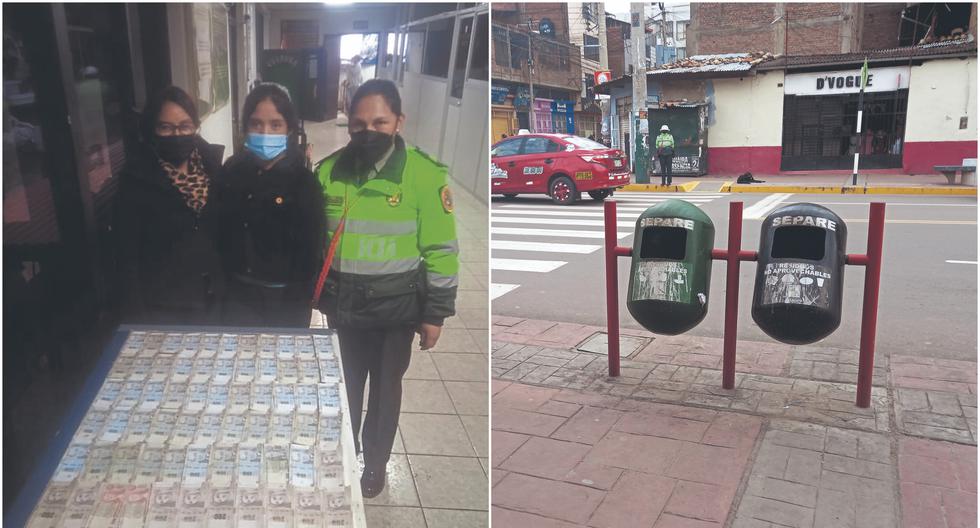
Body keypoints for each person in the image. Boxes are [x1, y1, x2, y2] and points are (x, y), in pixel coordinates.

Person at [314, 79, 458, 498]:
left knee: (384, 394)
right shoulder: (328, 172)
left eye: (380, 121)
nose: (368, 131)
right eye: (359, 124)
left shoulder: (424, 175)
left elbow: (441, 250)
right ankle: (344, 454)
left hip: (396, 313)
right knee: (344, 389)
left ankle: (374, 465)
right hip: (342, 309)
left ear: (399, 121)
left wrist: (435, 314)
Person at [212, 83, 324, 327]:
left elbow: (312, 251)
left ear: (289, 129)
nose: (265, 132)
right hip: (238, 297)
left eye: (275, 125)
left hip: (287, 301)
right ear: (245, 127)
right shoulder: (231, 173)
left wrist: (301, 299)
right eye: (256, 124)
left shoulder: (304, 183)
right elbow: (218, 233)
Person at [114, 86, 225, 324]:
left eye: (185, 126)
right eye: (166, 127)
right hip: (165, 306)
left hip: (213, 298)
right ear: (152, 130)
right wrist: (136, 319)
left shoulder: (212, 167)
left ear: (195, 127)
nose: (177, 134)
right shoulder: (135, 179)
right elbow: (126, 255)